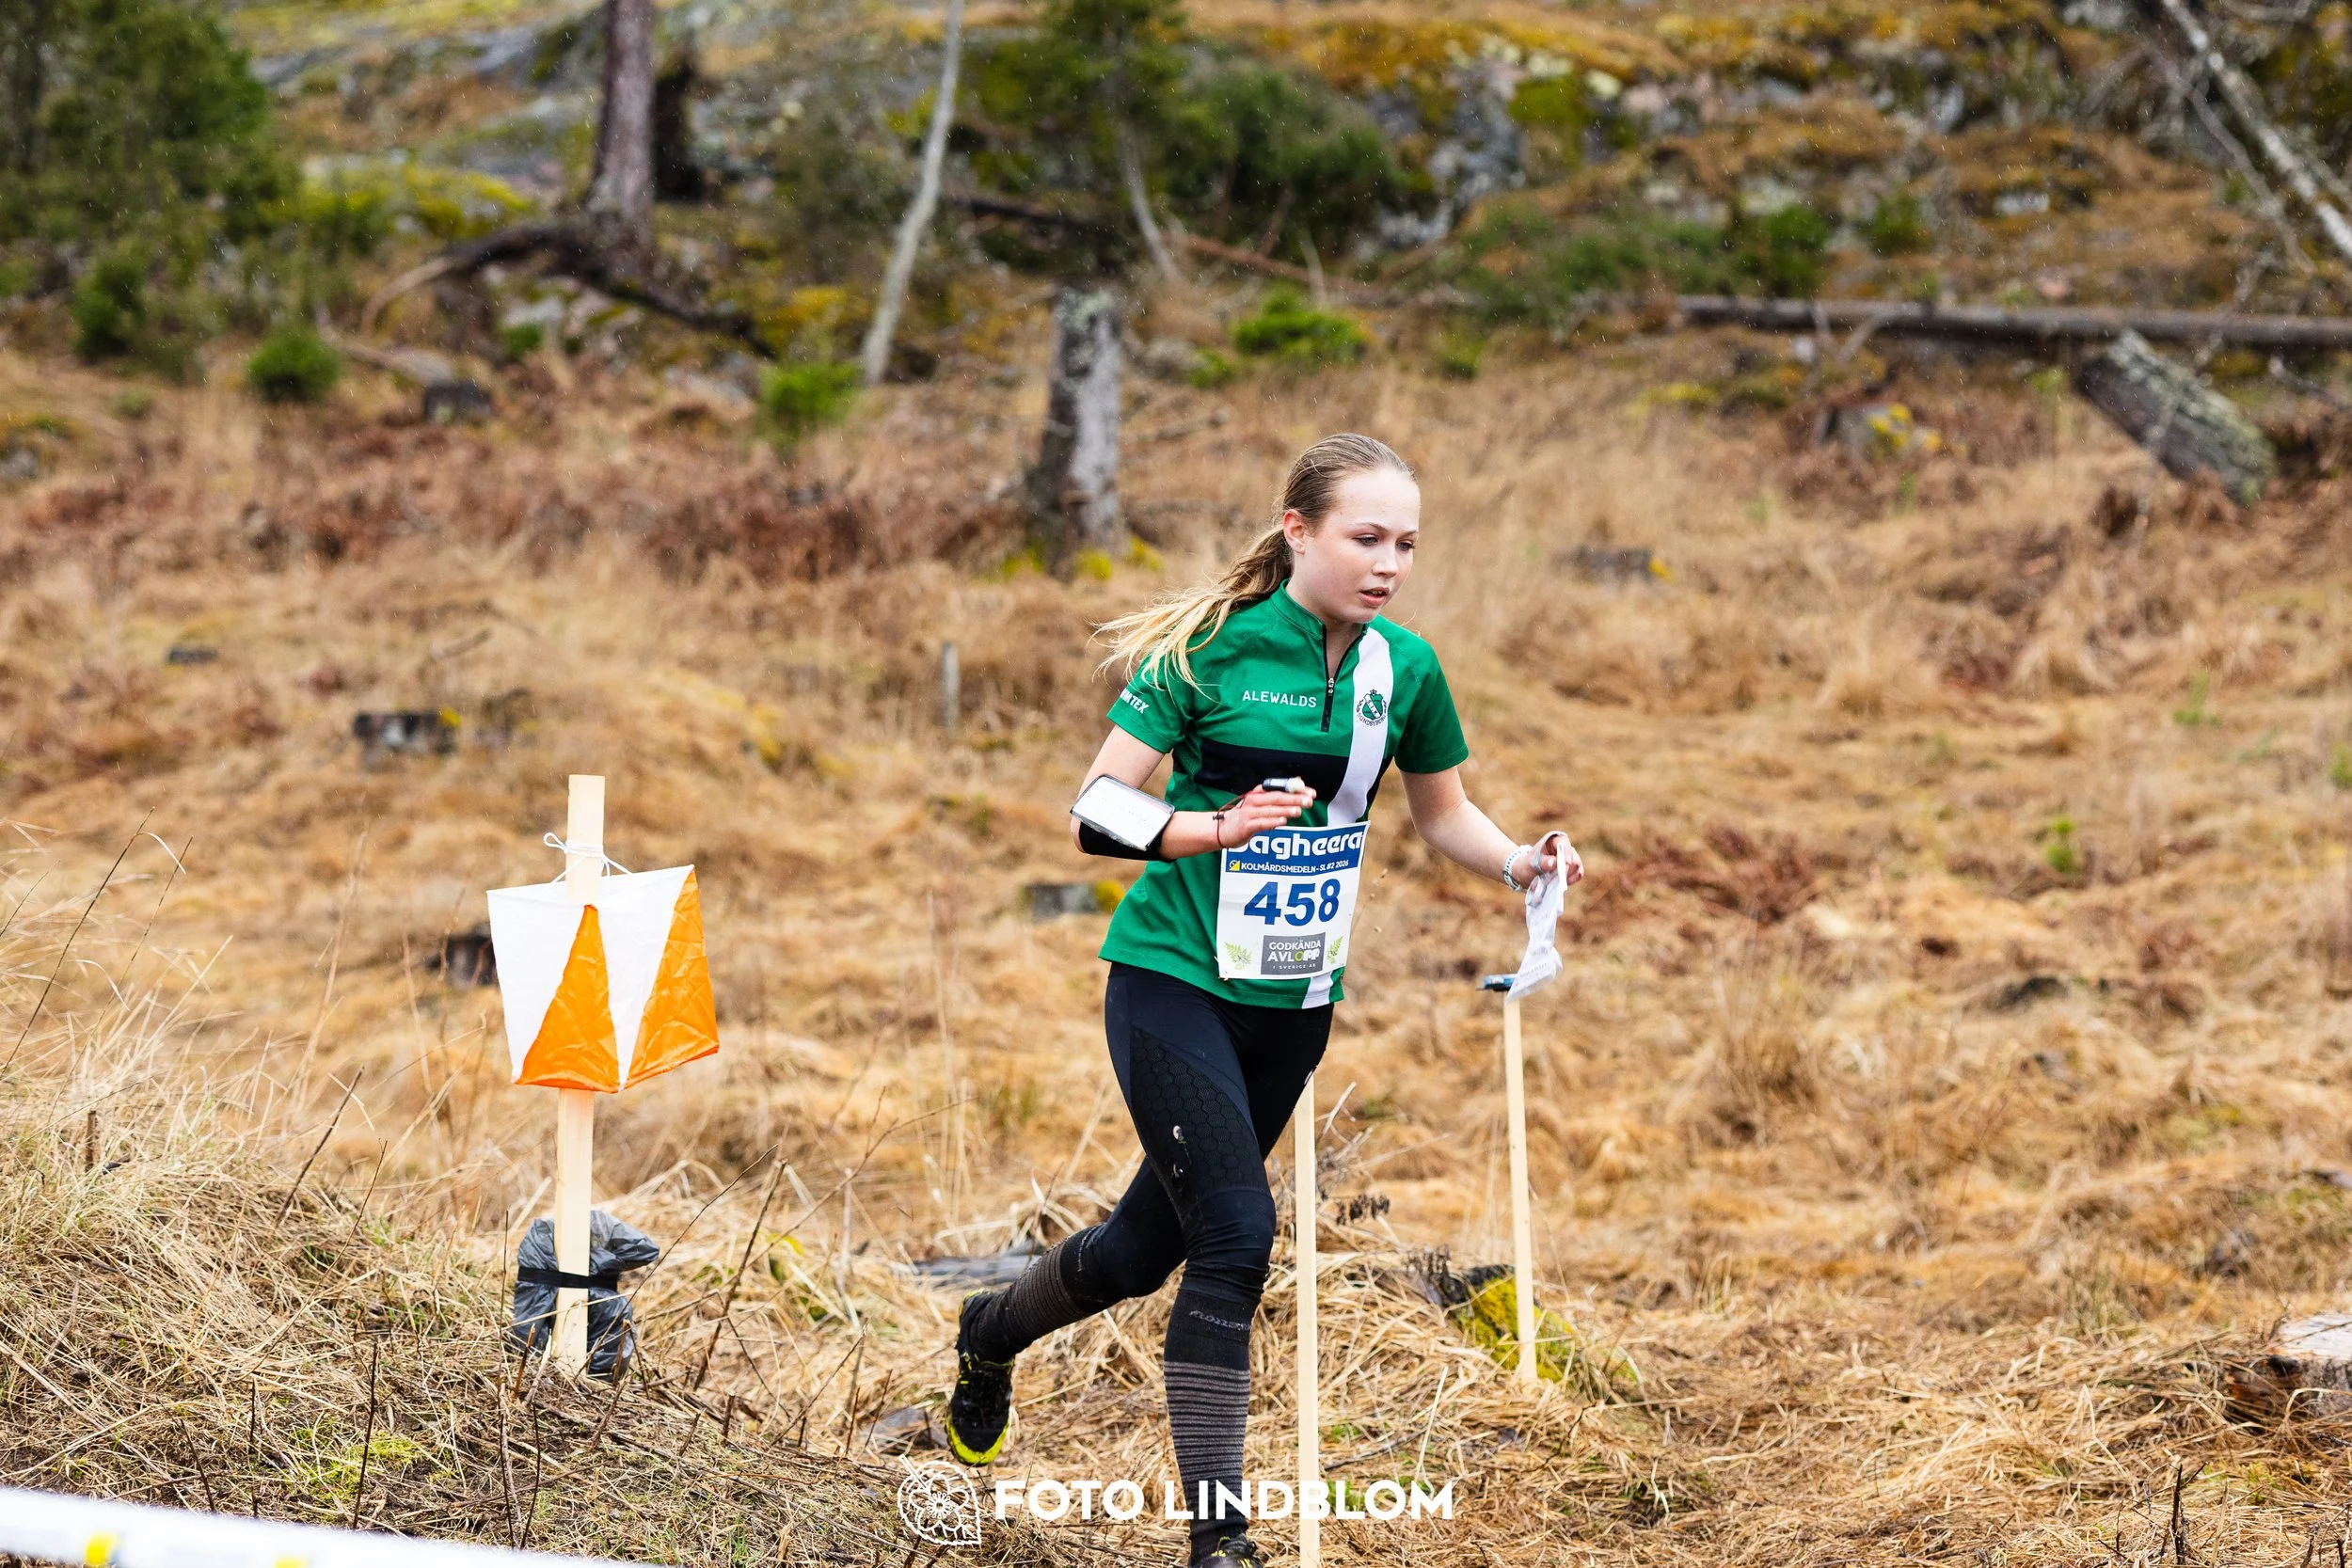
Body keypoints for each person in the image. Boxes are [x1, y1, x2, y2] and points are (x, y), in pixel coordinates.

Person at [942, 433, 1581, 1568]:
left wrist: (1519, 863)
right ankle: (1220, 1542)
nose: (1388, 563)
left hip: (1292, 999)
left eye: (1406, 544)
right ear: (1298, 531)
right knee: (1237, 1237)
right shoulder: (1210, 652)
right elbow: (1096, 809)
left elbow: (1442, 815)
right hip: (1170, 976)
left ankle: (988, 1331)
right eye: (1365, 537)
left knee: (1145, 1250)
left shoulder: (1406, 668)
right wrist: (1214, 827)